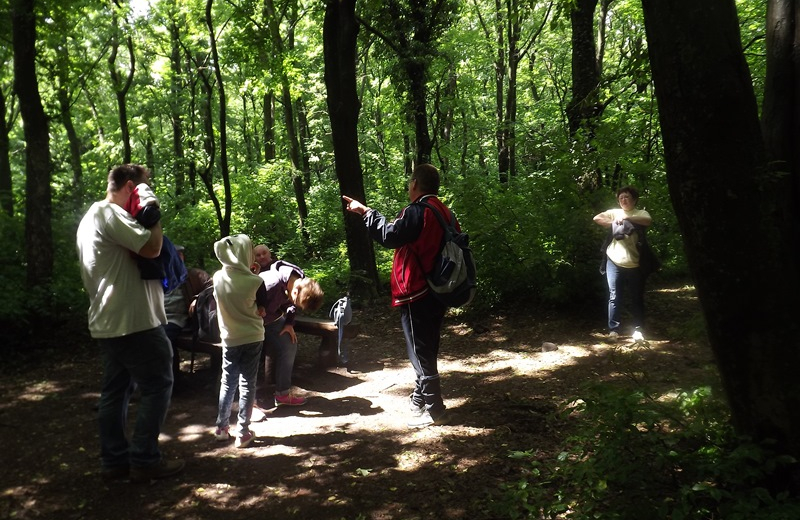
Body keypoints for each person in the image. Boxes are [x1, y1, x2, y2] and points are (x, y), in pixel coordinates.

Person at [76, 163, 185, 483]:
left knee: (116, 392)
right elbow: (152, 247)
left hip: (110, 321)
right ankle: (145, 459)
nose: (143, 194)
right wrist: (153, 210)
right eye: (141, 187)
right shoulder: (110, 214)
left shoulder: (92, 218)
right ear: (128, 186)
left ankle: (114, 462)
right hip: (134, 321)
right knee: (158, 385)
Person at [343, 163, 454, 428]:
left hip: (417, 291)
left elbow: (391, 235)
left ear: (415, 183)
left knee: (420, 350)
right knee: (427, 345)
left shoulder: (418, 211)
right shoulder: (444, 211)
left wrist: (366, 212)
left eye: (409, 183)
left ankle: (435, 409)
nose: (408, 187)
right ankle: (419, 398)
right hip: (439, 289)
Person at [212, 234, 269, 448]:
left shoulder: (217, 278)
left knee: (228, 382)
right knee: (248, 383)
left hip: (229, 337)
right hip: (253, 336)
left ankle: (221, 427)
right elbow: (263, 310)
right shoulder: (256, 281)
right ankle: (243, 432)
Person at [258, 259, 324, 407]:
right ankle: (249, 399)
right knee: (253, 352)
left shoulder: (298, 278)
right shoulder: (270, 285)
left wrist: (289, 323)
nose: (295, 305)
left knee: (289, 342)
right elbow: (251, 307)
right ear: (295, 291)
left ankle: (282, 394)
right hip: (251, 320)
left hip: (272, 317)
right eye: (296, 301)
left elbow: (290, 306)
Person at [593, 186, 653, 342]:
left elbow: (647, 221)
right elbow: (597, 218)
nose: (624, 200)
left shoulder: (640, 213)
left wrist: (626, 218)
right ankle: (614, 330)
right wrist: (614, 220)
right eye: (621, 198)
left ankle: (638, 330)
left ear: (634, 199)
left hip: (635, 263)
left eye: (627, 197)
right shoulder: (614, 212)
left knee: (636, 297)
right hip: (613, 261)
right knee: (614, 296)